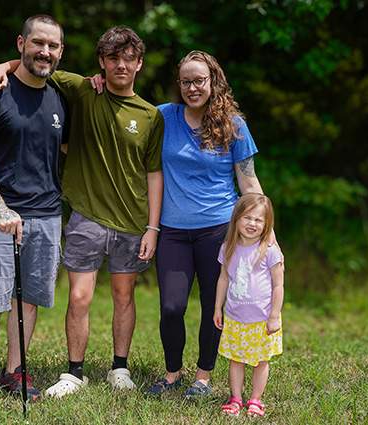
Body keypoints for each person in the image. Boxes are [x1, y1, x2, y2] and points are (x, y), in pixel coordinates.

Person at [0, 26, 164, 398]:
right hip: (85, 215)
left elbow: (153, 173)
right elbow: (34, 67)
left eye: (128, 58)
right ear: (101, 61)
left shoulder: (150, 115)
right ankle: (74, 373)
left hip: (131, 220)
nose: (120, 65)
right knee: (78, 297)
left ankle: (120, 368)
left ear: (139, 63)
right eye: (112, 58)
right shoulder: (82, 89)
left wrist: (153, 227)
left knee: (123, 297)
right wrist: (3, 65)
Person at [0, 14, 67, 422]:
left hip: (47, 216)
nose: (45, 51)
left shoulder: (59, 94)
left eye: (53, 46)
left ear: (60, 52)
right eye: (38, 42)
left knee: (30, 299)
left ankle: (13, 372)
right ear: (21, 42)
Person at [146, 51, 270, 397]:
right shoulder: (162, 117)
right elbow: (122, 110)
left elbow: (249, 183)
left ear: (213, 81)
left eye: (199, 80)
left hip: (219, 230)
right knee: (172, 307)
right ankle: (172, 373)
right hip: (171, 230)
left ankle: (202, 375)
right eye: (185, 81)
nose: (192, 87)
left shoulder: (233, 124)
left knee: (213, 307)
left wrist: (266, 229)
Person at [212, 193, 284, 417]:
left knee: (260, 361)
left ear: (266, 224)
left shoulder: (269, 250)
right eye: (247, 218)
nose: (252, 223)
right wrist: (217, 308)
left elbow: (278, 286)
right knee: (236, 359)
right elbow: (223, 279)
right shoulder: (228, 248)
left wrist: (274, 315)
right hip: (235, 317)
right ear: (236, 220)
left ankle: (255, 399)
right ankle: (236, 399)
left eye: (258, 220)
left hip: (262, 319)